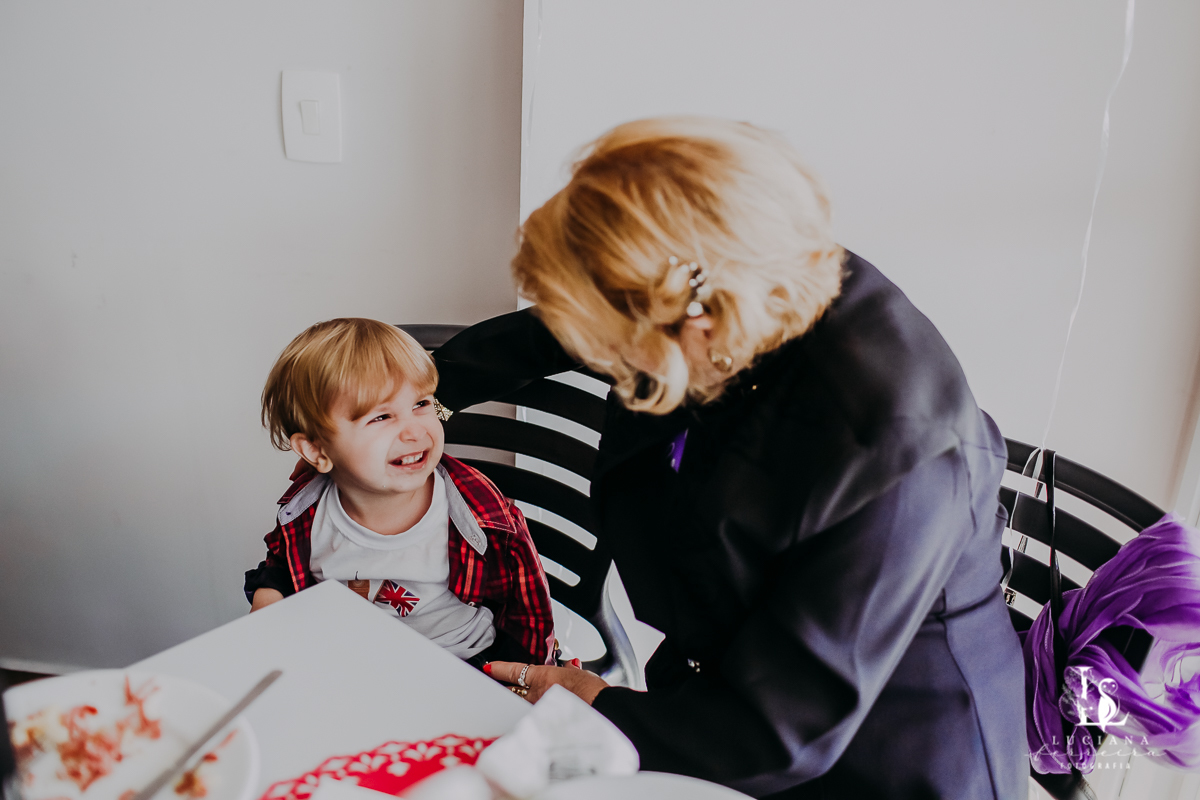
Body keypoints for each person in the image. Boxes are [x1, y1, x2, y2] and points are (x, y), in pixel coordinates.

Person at [432, 117, 1026, 798]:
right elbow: (590, 313)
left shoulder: (896, 451)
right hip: (719, 681)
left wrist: (599, 705)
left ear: (697, 324)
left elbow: (781, 735)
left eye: (609, 346)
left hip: (879, 755)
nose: (598, 358)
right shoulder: (740, 277)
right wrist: (431, 389)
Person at [243, 318, 556, 666]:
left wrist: (522, 686)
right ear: (316, 451)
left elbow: (528, 618)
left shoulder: (482, 519)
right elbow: (281, 568)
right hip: (351, 663)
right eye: (380, 417)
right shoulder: (303, 513)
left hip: (460, 665)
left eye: (421, 404)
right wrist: (268, 601)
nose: (414, 431)